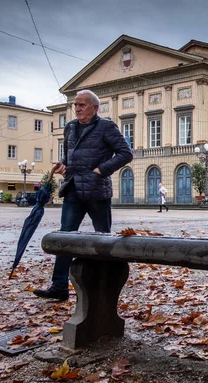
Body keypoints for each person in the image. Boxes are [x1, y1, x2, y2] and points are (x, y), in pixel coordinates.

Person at [33, 89, 133, 301]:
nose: (77, 108)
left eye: (82, 105)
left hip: (97, 190)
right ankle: (59, 286)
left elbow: (126, 153)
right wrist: (63, 166)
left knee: (103, 238)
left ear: (95, 108)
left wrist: (101, 170)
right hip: (73, 189)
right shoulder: (70, 128)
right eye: (75, 104)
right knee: (65, 238)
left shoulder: (106, 126)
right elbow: (69, 156)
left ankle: (106, 286)